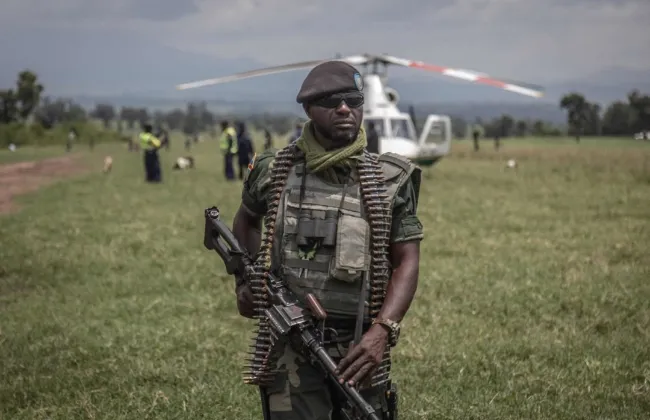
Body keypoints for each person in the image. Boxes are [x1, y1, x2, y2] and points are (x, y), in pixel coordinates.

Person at [231, 60, 423, 420]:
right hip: (290, 343)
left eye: (353, 100)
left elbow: (406, 260)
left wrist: (382, 331)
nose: (345, 109)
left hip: (359, 345)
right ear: (308, 109)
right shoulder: (275, 170)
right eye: (332, 102)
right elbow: (245, 222)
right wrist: (248, 280)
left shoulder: (389, 180)